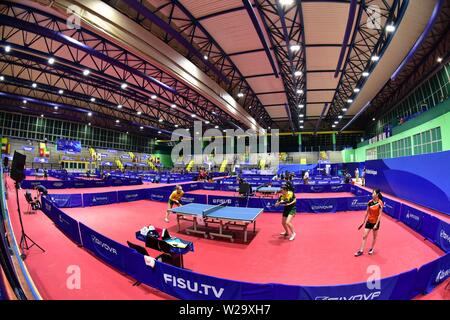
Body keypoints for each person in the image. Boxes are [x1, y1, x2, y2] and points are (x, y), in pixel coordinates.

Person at [355, 189, 384, 257]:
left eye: (373, 193)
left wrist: (376, 224)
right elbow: (367, 212)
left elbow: (380, 214)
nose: (372, 194)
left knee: (374, 237)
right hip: (369, 221)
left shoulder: (380, 203)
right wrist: (363, 221)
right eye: (372, 193)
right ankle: (361, 251)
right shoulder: (370, 202)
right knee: (364, 236)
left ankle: (371, 248)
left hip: (375, 222)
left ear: (377, 194)